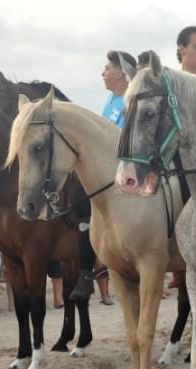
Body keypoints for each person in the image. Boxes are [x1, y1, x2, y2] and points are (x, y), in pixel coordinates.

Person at [70, 51, 137, 302]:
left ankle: (90, 269)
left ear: (121, 73)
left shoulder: (129, 101)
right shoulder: (110, 101)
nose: (102, 73)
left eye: (107, 68)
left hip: (121, 173)